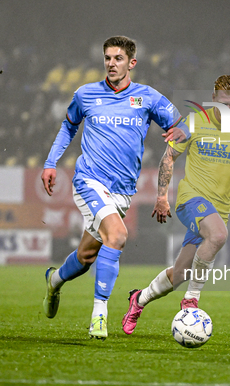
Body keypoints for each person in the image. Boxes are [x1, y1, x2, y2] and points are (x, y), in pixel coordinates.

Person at [41, 36, 189, 340]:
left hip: (122, 191)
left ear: (131, 63)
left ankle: (54, 281)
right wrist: (50, 162)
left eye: (118, 58)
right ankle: (99, 315)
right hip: (89, 180)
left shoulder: (146, 97)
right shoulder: (85, 94)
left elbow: (181, 125)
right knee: (118, 235)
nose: (111, 63)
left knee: (86, 257)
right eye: (107, 58)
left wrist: (178, 133)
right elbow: (68, 126)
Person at [121, 75, 230, 335]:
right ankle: (192, 299)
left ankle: (138, 300)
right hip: (191, 199)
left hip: (219, 209)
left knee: (181, 273)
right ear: (213, 99)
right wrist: (162, 196)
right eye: (223, 104)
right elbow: (169, 157)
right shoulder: (195, 122)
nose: (228, 110)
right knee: (219, 235)